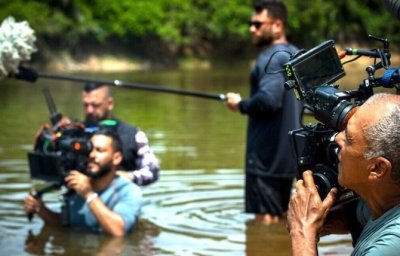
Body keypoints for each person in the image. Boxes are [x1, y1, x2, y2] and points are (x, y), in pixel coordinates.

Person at [287, 93, 400, 255]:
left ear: (377, 168)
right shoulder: (385, 199)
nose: (337, 138)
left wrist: (302, 232)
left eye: (349, 139)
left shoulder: (388, 246)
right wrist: (320, 220)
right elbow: (360, 216)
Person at [224, 0, 301, 225]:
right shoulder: (295, 54)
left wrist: (240, 105)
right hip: (290, 157)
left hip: (266, 159)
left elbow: (268, 100)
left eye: (258, 24)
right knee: (283, 220)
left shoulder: (269, 57)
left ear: (277, 25)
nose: (251, 29)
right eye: (251, 24)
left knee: (264, 225)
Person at [24, 128, 142, 237]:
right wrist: (41, 209)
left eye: (100, 151)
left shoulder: (129, 191)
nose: (91, 155)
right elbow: (66, 225)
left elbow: (118, 231)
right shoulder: (77, 185)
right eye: (89, 149)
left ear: (116, 158)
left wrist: (88, 194)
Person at [82, 82, 159, 186]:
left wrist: (127, 176)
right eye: (86, 105)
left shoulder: (134, 135)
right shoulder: (74, 133)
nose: (89, 110)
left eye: (95, 105)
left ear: (110, 103)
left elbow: (152, 171)